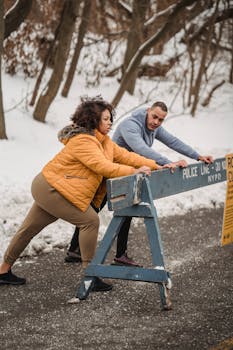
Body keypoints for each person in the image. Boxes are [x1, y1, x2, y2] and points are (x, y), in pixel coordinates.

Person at [0, 96, 163, 291]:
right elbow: (103, 166)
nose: (110, 122)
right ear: (93, 120)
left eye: (110, 118)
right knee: (90, 221)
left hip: (59, 189)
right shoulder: (83, 141)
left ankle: (3, 271)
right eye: (105, 119)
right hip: (50, 188)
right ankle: (90, 275)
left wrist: (158, 165)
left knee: (28, 229)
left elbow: (127, 156)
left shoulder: (105, 142)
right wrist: (133, 172)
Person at [65, 101, 213, 266]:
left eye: (160, 120)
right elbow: (142, 149)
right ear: (148, 111)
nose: (156, 122)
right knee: (97, 209)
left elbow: (173, 141)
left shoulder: (153, 127)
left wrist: (197, 156)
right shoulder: (130, 125)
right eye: (154, 116)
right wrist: (166, 163)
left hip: (129, 174)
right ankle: (78, 251)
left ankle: (110, 254)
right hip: (112, 173)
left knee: (122, 211)